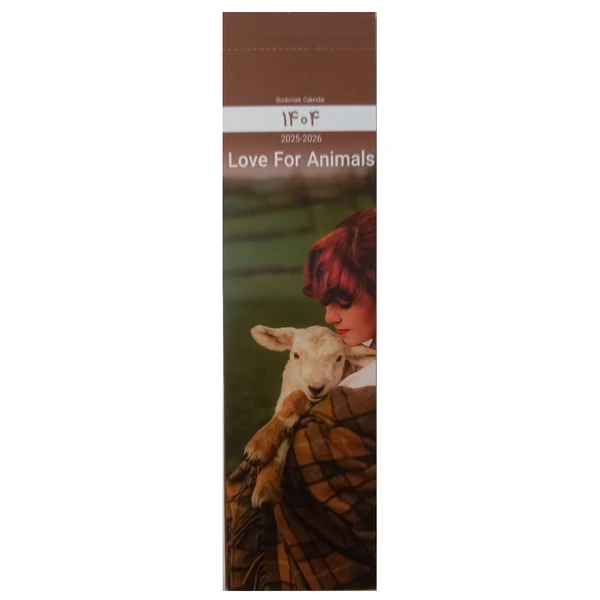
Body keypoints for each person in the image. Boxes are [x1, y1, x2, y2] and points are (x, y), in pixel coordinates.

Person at [225, 209, 377, 591]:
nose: (329, 316)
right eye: (327, 302)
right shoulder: (357, 355)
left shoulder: (369, 382)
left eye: (343, 301)